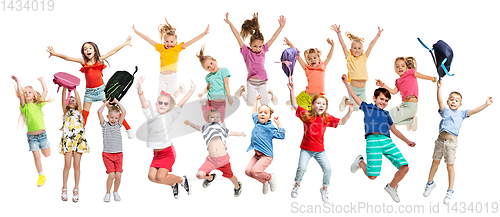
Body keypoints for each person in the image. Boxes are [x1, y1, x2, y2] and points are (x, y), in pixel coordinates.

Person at [342, 74, 415, 203]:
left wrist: (407, 141)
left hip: (387, 141)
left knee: (405, 167)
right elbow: (354, 96)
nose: (384, 102)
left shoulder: (386, 114)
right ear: (374, 98)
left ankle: (391, 187)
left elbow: (394, 130)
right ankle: (360, 162)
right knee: (372, 176)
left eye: (386, 100)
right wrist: (346, 83)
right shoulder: (367, 107)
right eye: (381, 99)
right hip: (373, 141)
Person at [46, 37, 135, 138]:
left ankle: (128, 129)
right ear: (83, 53)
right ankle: (79, 134)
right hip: (89, 93)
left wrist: (125, 43)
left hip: (101, 91)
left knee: (114, 110)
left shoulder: (100, 60)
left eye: (90, 48)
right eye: (85, 49)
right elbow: (68, 58)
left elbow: (113, 51)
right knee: (84, 114)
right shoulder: (83, 62)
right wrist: (55, 53)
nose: (88, 50)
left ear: (95, 50)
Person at [423, 79, 493, 205]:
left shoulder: (462, 113)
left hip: (451, 144)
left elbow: (475, 110)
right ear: (448, 102)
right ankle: (430, 183)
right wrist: (439, 88)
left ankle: (450, 190)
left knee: (450, 166)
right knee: (435, 162)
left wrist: (486, 104)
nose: (453, 101)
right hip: (440, 141)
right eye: (451, 99)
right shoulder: (445, 111)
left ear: (460, 104)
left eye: (456, 100)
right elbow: (439, 100)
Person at [288, 82, 353, 203]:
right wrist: (292, 90)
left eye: (323, 104)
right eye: (318, 103)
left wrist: (349, 112)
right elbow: (294, 104)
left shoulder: (326, 118)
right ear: (312, 105)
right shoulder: (306, 115)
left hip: (319, 151)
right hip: (306, 149)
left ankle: (324, 189)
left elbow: (342, 122)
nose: (321, 105)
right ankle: (297, 185)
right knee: (301, 168)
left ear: (326, 107)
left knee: (328, 169)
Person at [136, 76, 195, 199]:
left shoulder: (171, 115)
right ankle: (173, 183)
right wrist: (139, 90)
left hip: (167, 152)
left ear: (169, 106)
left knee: (161, 177)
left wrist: (191, 91)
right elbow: (144, 103)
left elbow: (180, 103)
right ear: (157, 104)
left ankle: (181, 179)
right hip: (156, 154)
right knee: (152, 177)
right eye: (160, 103)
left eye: (165, 103)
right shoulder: (151, 115)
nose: (162, 105)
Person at [133, 19, 209, 97]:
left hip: (172, 77)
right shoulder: (161, 47)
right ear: (163, 41)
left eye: (172, 42)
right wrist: (136, 31)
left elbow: (191, 41)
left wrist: (203, 33)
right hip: (162, 77)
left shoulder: (177, 48)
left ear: (176, 43)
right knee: (160, 99)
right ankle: (180, 89)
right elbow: (148, 39)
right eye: (167, 41)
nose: (169, 44)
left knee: (170, 99)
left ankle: (180, 89)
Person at [225, 12, 284, 106]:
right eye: (255, 46)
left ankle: (270, 94)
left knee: (264, 103)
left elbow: (273, 38)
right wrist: (230, 23)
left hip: (262, 82)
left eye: (260, 46)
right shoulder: (246, 51)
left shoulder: (263, 50)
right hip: (251, 82)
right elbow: (237, 36)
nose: (258, 49)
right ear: (250, 45)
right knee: (250, 104)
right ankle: (242, 92)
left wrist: (280, 27)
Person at [184, 109, 246, 197]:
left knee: (230, 176)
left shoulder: (221, 128)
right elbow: (198, 127)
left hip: (223, 160)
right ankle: (211, 178)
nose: (215, 119)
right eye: (212, 117)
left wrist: (241, 134)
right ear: (208, 119)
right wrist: (189, 123)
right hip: (211, 160)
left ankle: (237, 186)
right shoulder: (206, 128)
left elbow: (231, 133)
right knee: (199, 175)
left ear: (220, 120)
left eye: (217, 117)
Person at [331, 24, 383, 111]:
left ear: (362, 50)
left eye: (359, 48)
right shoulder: (349, 58)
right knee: (355, 108)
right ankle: (346, 101)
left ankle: (347, 101)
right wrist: (338, 33)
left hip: (362, 89)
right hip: (353, 89)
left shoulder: (364, 57)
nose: (357, 50)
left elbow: (370, 46)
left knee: (364, 107)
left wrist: (378, 35)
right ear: (351, 50)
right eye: (354, 48)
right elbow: (343, 45)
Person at [375, 57, 436, 131]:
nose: (400, 67)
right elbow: (393, 92)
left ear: (407, 68)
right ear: (395, 70)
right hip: (402, 105)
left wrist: (433, 79)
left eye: (402, 66)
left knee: (389, 122)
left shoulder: (411, 73)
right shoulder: (398, 81)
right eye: (397, 66)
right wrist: (382, 85)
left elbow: (423, 76)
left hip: (411, 107)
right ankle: (408, 121)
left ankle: (410, 121)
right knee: (387, 116)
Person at [12, 75, 53, 187]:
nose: (27, 93)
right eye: (25, 92)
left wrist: (42, 80)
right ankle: (41, 175)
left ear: (34, 96)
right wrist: (18, 81)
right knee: (36, 156)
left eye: (30, 92)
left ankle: (43, 149)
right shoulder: (24, 107)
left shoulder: (38, 104)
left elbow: (45, 90)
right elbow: (20, 94)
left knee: (47, 155)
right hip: (32, 138)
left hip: (43, 136)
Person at [246, 94, 285, 194]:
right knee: (248, 172)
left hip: (266, 156)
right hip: (257, 155)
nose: (262, 114)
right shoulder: (256, 122)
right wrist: (255, 100)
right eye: (260, 112)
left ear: (269, 117)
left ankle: (270, 177)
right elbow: (253, 112)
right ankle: (264, 181)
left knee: (255, 171)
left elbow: (281, 136)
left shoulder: (270, 127)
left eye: (265, 113)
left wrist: (278, 124)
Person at [283, 37, 334, 110]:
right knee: (302, 112)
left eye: (314, 57)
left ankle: (294, 102)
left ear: (319, 59)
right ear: (308, 62)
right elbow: (298, 56)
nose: (312, 60)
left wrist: (332, 46)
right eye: (309, 59)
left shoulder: (322, 67)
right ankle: (294, 101)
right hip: (306, 96)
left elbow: (329, 57)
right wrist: (291, 45)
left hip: (316, 100)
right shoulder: (307, 69)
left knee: (309, 117)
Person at [59, 88, 88, 202]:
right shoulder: (66, 112)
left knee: (77, 166)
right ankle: (64, 188)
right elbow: (63, 99)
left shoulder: (79, 111)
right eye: (69, 100)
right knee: (67, 165)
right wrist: (65, 88)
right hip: (68, 141)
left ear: (76, 104)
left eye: (73, 100)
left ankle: (76, 188)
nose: (71, 101)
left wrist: (75, 89)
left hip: (79, 141)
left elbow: (80, 101)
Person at [98, 98, 127, 202]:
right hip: (107, 155)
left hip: (118, 154)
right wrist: (106, 103)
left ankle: (115, 192)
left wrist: (117, 102)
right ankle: (108, 193)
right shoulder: (104, 125)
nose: (113, 120)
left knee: (118, 175)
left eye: (115, 117)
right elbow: (99, 112)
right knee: (111, 175)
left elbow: (124, 112)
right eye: (111, 118)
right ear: (108, 117)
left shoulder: (119, 125)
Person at [195, 45, 233, 123]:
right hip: (211, 101)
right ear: (206, 70)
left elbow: (226, 85)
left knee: (220, 120)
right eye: (208, 67)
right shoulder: (209, 77)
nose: (211, 67)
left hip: (221, 101)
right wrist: (201, 93)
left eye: (212, 63)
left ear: (215, 60)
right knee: (208, 120)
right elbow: (208, 88)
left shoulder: (223, 71)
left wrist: (229, 97)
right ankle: (203, 106)